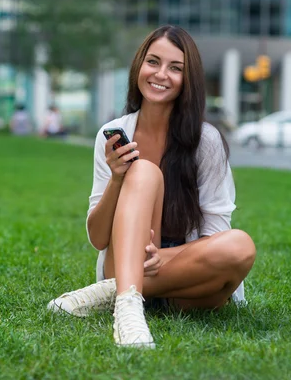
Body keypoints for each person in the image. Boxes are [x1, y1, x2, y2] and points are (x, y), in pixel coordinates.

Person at [47, 25, 256, 349]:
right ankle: (129, 305)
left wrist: (164, 257)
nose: (161, 74)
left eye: (176, 68)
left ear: (189, 80)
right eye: (153, 62)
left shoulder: (206, 142)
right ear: (138, 67)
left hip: (187, 281)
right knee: (142, 172)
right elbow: (98, 237)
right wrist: (118, 178)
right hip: (126, 262)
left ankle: (112, 292)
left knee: (239, 245)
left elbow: (215, 236)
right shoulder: (114, 134)